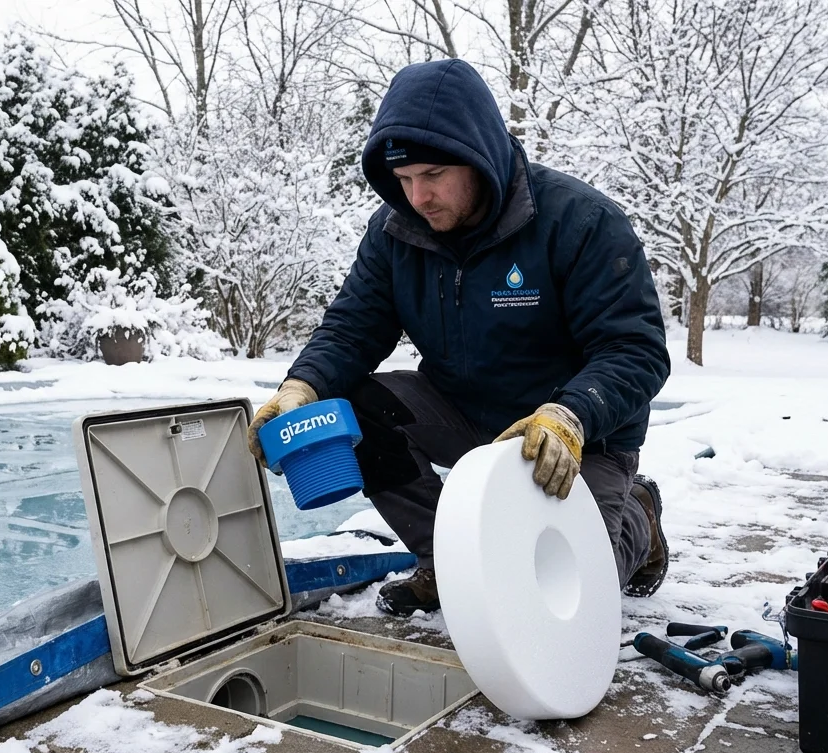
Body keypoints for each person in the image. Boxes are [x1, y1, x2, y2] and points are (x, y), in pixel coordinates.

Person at [247, 59, 673, 616]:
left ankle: (637, 517)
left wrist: (571, 416)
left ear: (479, 158)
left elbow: (636, 349)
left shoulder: (580, 221)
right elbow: (353, 325)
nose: (418, 197)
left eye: (432, 176)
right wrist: (300, 387)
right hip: (464, 413)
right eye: (403, 181)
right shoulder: (395, 230)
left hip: (579, 434)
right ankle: (447, 561)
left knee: (563, 604)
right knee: (353, 405)